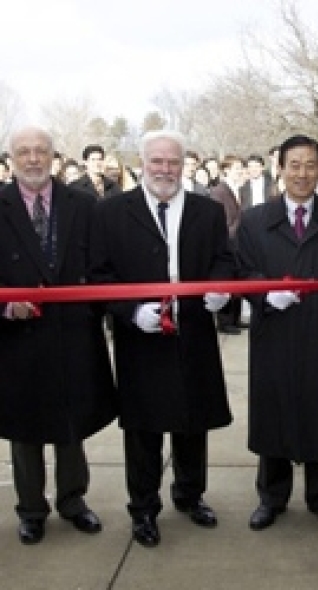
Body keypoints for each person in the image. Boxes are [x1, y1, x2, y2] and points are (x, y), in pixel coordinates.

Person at [89, 129, 235, 547]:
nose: (165, 169)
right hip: (141, 339)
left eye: (173, 161)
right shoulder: (111, 212)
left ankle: (190, 495)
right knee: (143, 430)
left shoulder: (207, 211)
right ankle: (143, 509)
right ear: (142, 163)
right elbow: (99, 275)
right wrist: (131, 311)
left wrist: (219, 289)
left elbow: (224, 260)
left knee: (193, 422)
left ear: (183, 165)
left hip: (194, 332)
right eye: (157, 161)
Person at [237, 135, 318, 532]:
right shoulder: (255, 220)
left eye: (310, 165)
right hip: (273, 334)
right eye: (294, 165)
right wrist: (264, 294)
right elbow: (242, 269)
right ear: (280, 168)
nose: (302, 174)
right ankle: (271, 497)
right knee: (273, 413)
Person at [0, 126, 117, 544]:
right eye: (24, 152)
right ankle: (31, 509)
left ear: (54, 156)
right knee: (24, 430)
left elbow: (102, 265)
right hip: (18, 338)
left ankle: (73, 500)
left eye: (41, 151)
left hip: (72, 333)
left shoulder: (82, 204)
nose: (33, 159)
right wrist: (5, 305)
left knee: (72, 423)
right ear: (11, 158)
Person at [209, 156, 247, 335]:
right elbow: (221, 221)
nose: (240, 171)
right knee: (227, 281)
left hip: (239, 244)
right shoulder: (219, 191)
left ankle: (235, 319)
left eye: (241, 168)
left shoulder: (239, 190)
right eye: (236, 168)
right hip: (226, 243)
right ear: (226, 170)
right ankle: (225, 321)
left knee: (238, 282)